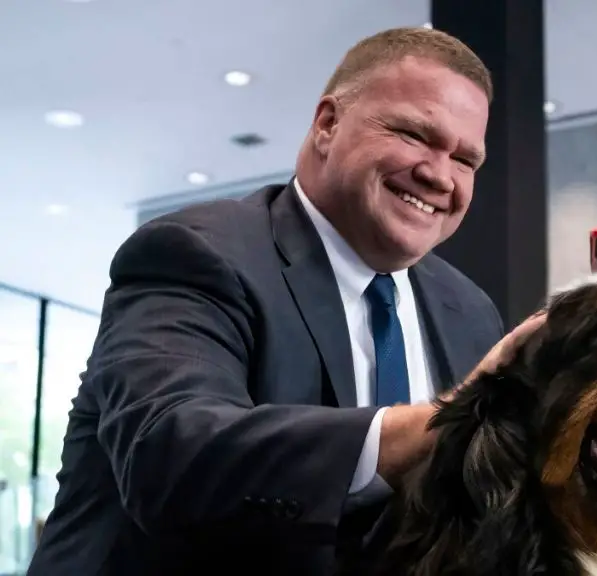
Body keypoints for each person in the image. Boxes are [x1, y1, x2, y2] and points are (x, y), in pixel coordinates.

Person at [27, 27, 546, 575]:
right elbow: (170, 454)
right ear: (327, 124)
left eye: (465, 160)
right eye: (414, 134)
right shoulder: (192, 254)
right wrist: (437, 426)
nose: (440, 175)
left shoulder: (468, 310)